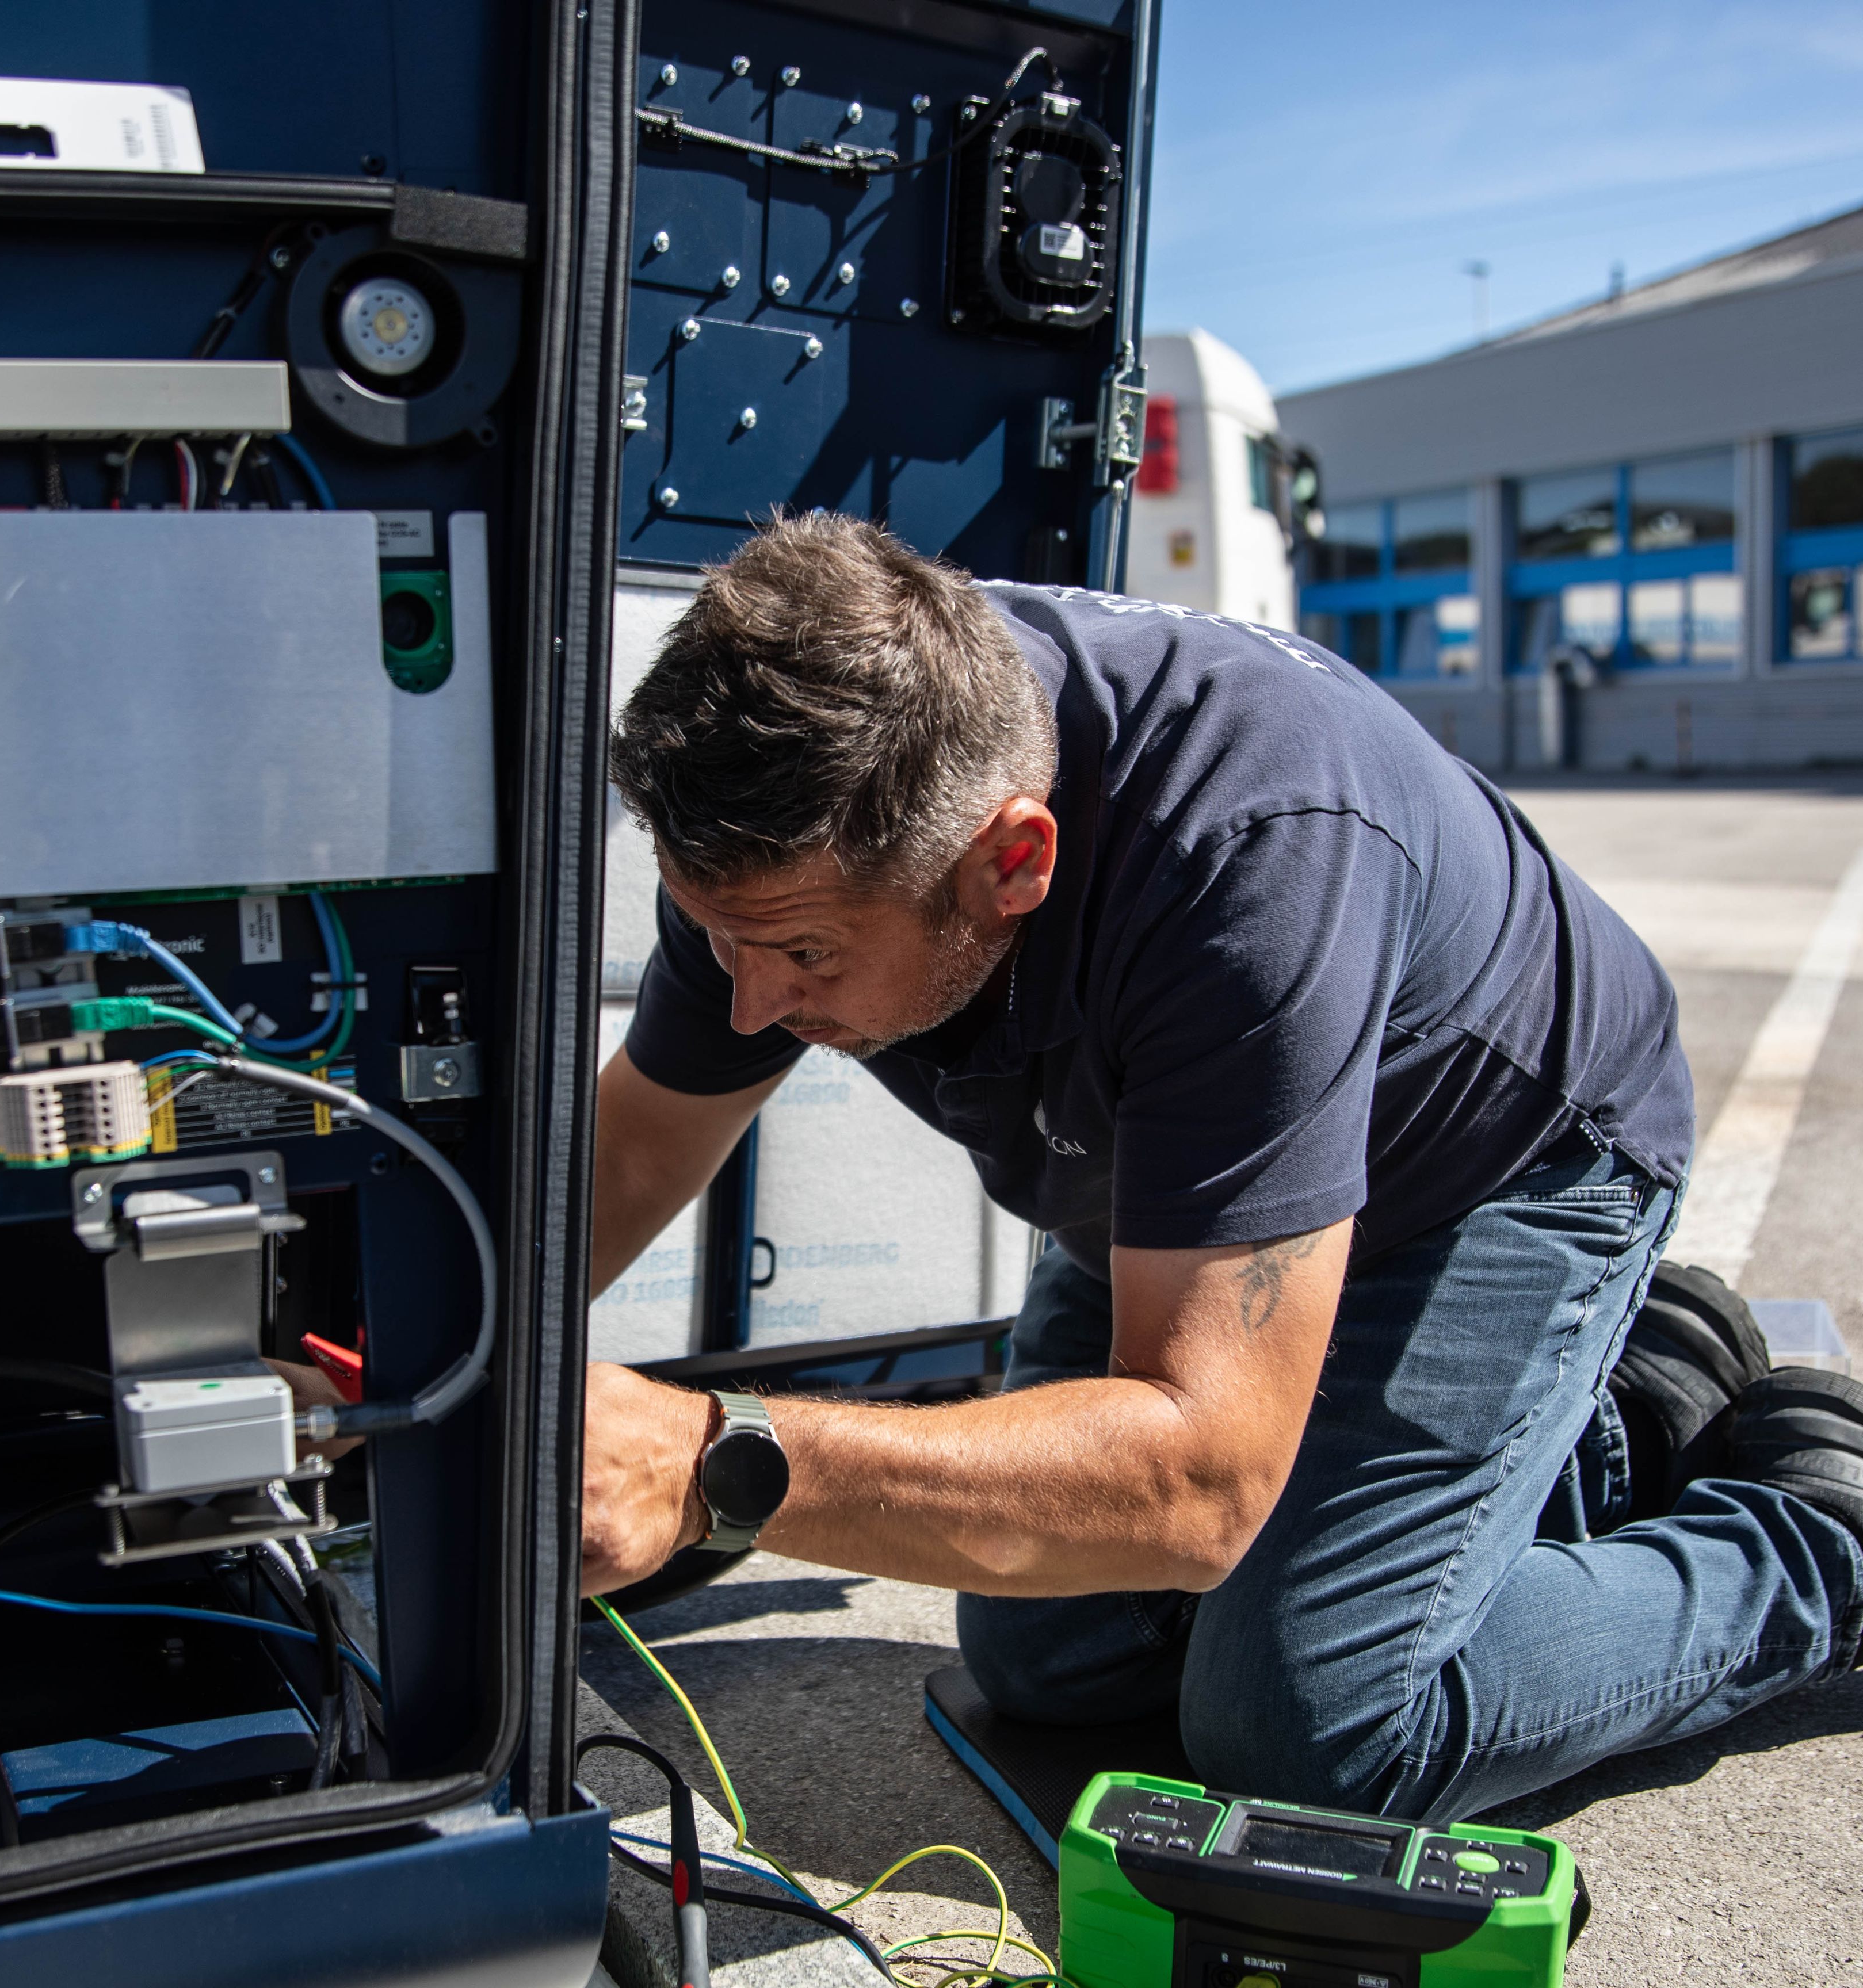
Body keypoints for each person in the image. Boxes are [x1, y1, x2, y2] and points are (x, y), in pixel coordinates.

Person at [579, 513, 1862, 1823]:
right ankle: (1631, 1415)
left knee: (1317, 1730)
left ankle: (1822, 1542)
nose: (745, 1007)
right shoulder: (797, 812)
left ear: (1011, 861)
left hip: (1495, 1168)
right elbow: (633, 1152)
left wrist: (713, 1461)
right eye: (711, 935)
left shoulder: (1246, 859)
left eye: (803, 957)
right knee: (1051, 1654)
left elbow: (1197, 1483)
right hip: (1172, 1180)